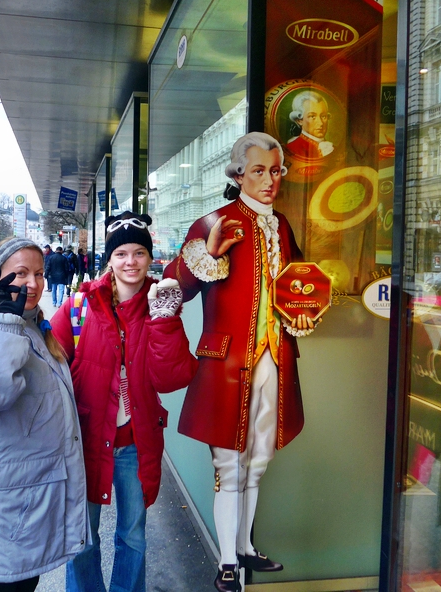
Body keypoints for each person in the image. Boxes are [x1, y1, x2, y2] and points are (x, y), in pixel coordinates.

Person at [163, 132, 317, 591]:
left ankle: (246, 547)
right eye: (258, 171)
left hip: (275, 359)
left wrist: (303, 315)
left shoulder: (283, 226)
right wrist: (206, 256)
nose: (270, 180)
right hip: (228, 363)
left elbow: (298, 287)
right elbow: (175, 287)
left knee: (258, 460)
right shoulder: (214, 221)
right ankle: (227, 559)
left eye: (275, 171)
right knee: (229, 465)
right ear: (237, 175)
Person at [51, 211, 197, 592]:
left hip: (135, 442)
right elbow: (49, 364)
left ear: (150, 258)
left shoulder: (162, 305)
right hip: (85, 440)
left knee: (133, 535)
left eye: (138, 253)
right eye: (121, 254)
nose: (130, 262)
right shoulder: (81, 306)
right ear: (110, 260)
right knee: (83, 538)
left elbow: (172, 378)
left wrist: (163, 320)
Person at [0, 238, 89, 592]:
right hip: (6, 504)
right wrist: (6, 319)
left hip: (22, 497)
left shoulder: (26, 323)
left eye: (39, 273)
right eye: (20, 273)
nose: (34, 284)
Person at [285, 90, 334, 161]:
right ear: (300, 120)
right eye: (312, 116)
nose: (320, 123)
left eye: (323, 116)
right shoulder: (291, 150)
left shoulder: (334, 149)